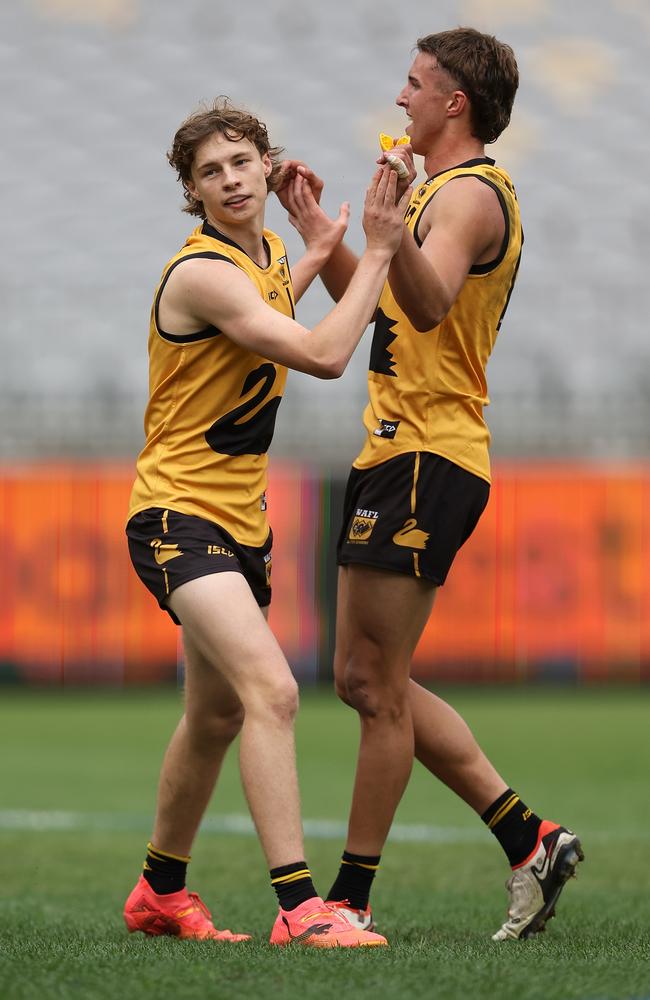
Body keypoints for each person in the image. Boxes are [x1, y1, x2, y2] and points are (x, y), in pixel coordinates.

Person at [279, 27, 583, 942]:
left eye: (414, 85)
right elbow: (374, 298)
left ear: (456, 103)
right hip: (399, 451)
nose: (400, 97)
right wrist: (324, 236)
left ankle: (352, 898)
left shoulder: (471, 196)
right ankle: (531, 839)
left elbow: (427, 301)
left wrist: (385, 234)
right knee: (371, 677)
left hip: (429, 453)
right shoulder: (436, 195)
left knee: (373, 685)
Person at [122, 97, 411, 948]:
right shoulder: (202, 272)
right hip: (178, 515)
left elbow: (284, 286)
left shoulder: (270, 255)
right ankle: (300, 909)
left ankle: (160, 892)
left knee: (213, 718)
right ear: (194, 192)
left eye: (241, 161)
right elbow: (323, 355)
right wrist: (382, 249)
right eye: (210, 171)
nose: (230, 179)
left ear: (265, 164)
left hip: (240, 524)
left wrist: (321, 238)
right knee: (272, 692)